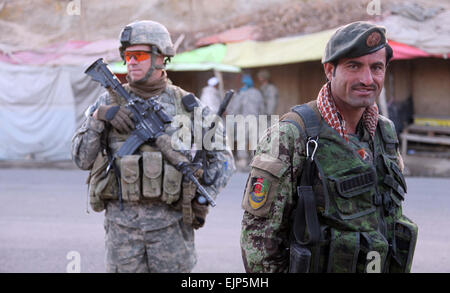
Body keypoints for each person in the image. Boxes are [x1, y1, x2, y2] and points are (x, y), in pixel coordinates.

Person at [240, 21, 418, 273]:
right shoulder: (293, 135)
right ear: (329, 70)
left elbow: (387, 214)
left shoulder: (384, 131)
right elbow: (258, 242)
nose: (367, 79)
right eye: (354, 66)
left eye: (376, 67)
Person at [71, 20, 235, 273]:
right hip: (121, 233)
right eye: (127, 56)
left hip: (172, 230)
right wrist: (98, 117)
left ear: (161, 58)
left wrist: (202, 196)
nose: (131, 62)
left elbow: (224, 160)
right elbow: (81, 159)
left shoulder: (187, 106)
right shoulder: (106, 101)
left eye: (138, 55)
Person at [227, 74, 265, 171]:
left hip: (243, 120)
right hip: (256, 119)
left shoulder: (242, 93)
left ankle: (243, 160)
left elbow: (236, 108)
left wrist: (231, 115)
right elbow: (262, 108)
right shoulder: (257, 93)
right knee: (254, 140)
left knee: (242, 140)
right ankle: (255, 161)